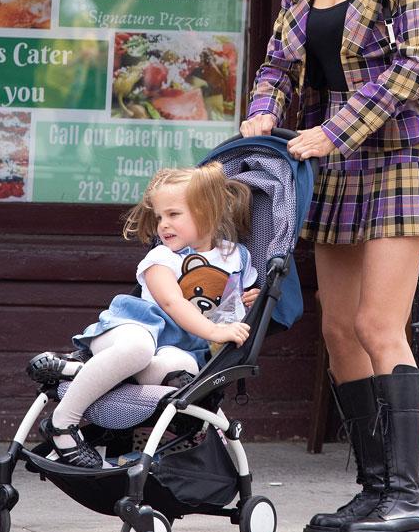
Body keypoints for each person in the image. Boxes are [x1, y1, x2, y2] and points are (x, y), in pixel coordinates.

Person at [239, 0, 419, 532]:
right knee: (336, 328)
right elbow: (279, 60)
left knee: (379, 326)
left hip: (395, 154)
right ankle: (375, 488)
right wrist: (265, 110)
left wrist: (335, 130)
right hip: (328, 161)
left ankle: (406, 500)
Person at [31, 163, 260, 469]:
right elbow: (171, 302)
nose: (163, 225)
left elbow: (231, 306)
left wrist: (249, 300)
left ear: (208, 210)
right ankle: (63, 423)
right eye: (159, 217)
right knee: (139, 349)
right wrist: (214, 331)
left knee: (181, 377)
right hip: (133, 329)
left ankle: (78, 373)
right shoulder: (161, 257)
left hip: (178, 349)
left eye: (173, 214)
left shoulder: (237, 256)